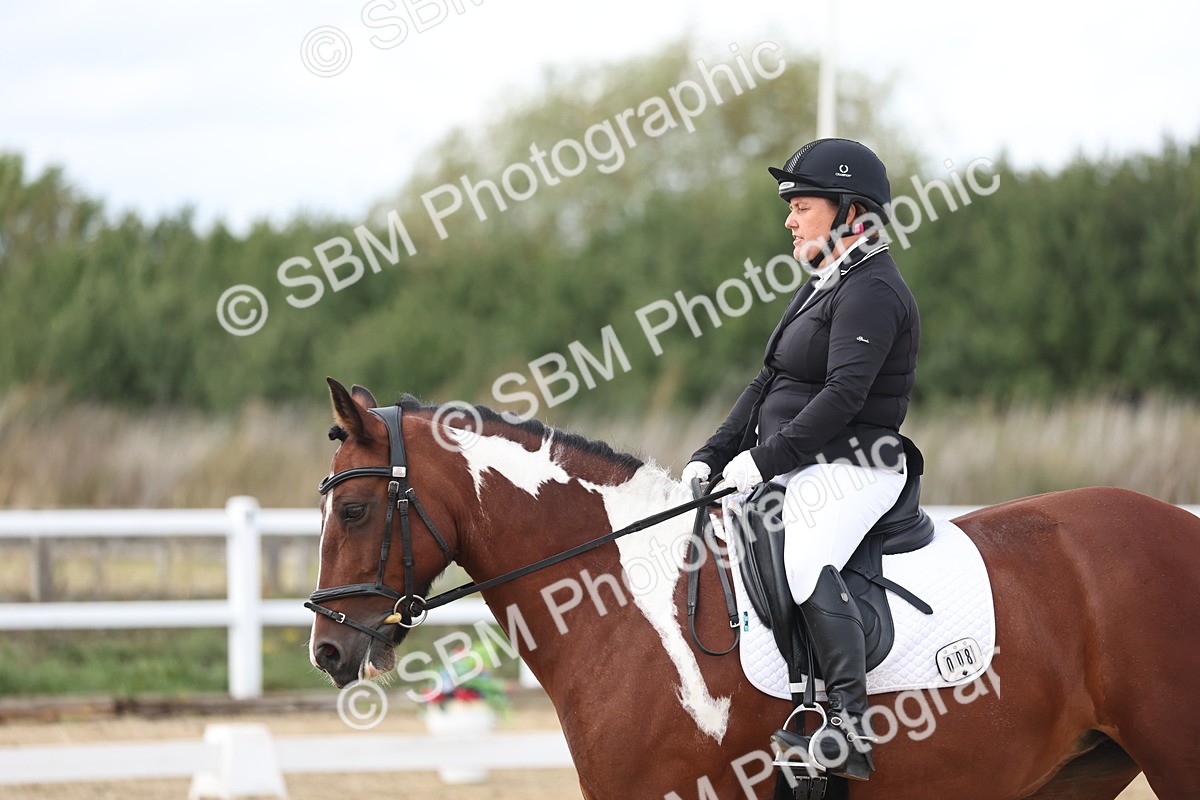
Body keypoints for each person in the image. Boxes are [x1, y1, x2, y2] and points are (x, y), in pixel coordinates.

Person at [681, 137, 919, 781]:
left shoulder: (872, 289)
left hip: (858, 464)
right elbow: (768, 382)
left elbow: (844, 396)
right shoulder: (824, 282)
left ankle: (847, 725)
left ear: (850, 212)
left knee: (808, 551)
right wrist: (713, 452)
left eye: (802, 205)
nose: (788, 219)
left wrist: (763, 461)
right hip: (801, 462)